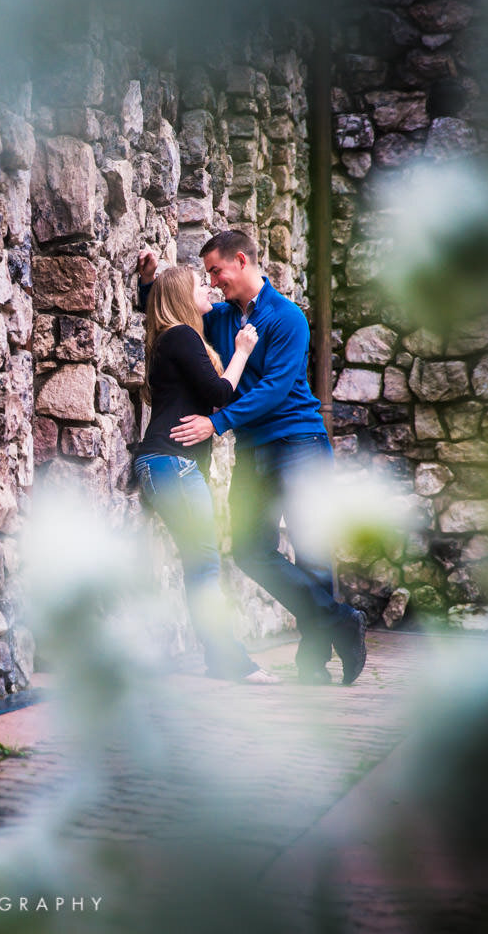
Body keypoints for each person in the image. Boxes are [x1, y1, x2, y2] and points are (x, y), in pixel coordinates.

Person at [148, 231, 368, 685]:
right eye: (206, 274)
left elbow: (275, 389)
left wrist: (217, 423)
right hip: (253, 449)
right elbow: (175, 318)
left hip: (299, 443)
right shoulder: (222, 317)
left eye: (216, 271)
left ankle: (313, 664)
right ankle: (342, 621)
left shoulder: (287, 318)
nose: (212, 281)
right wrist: (150, 284)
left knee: (311, 553)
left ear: (241, 261)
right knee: (248, 550)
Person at [132, 264, 281, 685]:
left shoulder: (171, 338)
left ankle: (222, 660)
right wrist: (242, 352)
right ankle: (231, 663)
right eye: (201, 284)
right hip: (173, 465)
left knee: (200, 566)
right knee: (204, 567)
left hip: (165, 465)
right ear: (183, 296)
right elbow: (219, 394)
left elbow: (155, 302)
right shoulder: (181, 335)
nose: (210, 288)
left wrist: (147, 282)